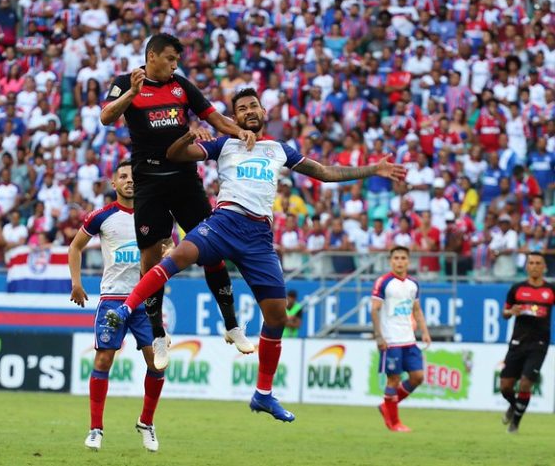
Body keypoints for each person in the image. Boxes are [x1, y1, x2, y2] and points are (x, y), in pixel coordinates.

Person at [105, 88, 406, 421]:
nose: (249, 110)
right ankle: (127, 306)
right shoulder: (225, 144)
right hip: (223, 222)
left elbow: (325, 172)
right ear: (235, 118)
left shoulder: (278, 149)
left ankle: (263, 395)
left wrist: (373, 169)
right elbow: (177, 155)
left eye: (253, 106)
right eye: (242, 108)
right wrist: (189, 133)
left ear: (264, 112)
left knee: (277, 315)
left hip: (259, 237)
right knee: (178, 256)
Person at [100, 33, 257, 368]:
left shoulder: (181, 86)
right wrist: (131, 92)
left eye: (176, 60)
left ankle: (231, 325)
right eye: (170, 59)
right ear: (152, 55)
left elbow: (215, 118)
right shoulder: (125, 82)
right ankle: (158, 335)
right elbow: (106, 117)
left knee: (212, 249)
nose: (174, 65)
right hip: (149, 183)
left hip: (185, 180)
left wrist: (238, 132)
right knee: (151, 258)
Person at [68, 161, 164, 452]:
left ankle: (146, 422)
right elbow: (75, 247)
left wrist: (167, 253)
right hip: (113, 298)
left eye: (134, 176)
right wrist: (76, 283)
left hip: (146, 299)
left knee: (157, 362)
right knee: (103, 361)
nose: (129, 181)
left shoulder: (155, 212)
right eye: (123, 176)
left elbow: (169, 246)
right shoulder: (102, 216)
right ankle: (95, 428)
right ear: (114, 183)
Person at [371, 246, 431, 433]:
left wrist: (425, 331)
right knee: (393, 380)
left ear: (408, 261)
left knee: (418, 377)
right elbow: (374, 309)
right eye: (396, 257)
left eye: (403, 258)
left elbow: (416, 309)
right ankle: (394, 423)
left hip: (409, 340)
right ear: (391, 261)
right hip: (391, 341)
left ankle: (386, 406)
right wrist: (379, 336)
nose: (399, 261)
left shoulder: (413, 284)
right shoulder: (384, 282)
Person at [499, 252, 554, 434]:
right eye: (531, 263)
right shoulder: (517, 289)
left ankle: (515, 423)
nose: (535, 266)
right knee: (505, 386)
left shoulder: (551, 290)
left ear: (544, 267)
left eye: (539, 263)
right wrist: (511, 311)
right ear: (527, 266)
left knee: (525, 384)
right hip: (517, 342)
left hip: (539, 344)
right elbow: (504, 313)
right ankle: (514, 406)